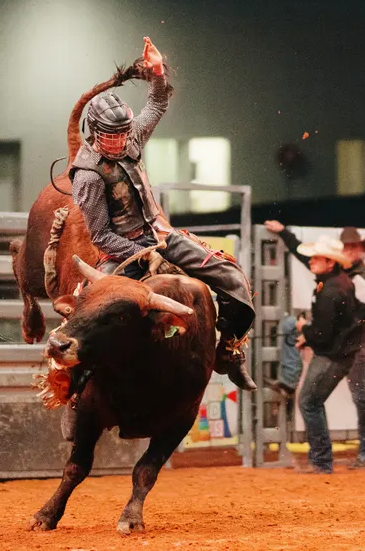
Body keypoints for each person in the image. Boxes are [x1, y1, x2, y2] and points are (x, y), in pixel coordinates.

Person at [70, 37, 256, 391]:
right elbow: (100, 235)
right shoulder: (89, 175)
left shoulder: (130, 139)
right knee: (89, 309)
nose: (122, 140)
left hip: (160, 234)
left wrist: (156, 69)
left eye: (125, 132)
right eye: (113, 135)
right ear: (95, 134)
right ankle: (75, 380)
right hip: (123, 250)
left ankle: (229, 350)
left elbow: (155, 104)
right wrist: (143, 253)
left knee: (232, 276)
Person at [264, 220, 365, 469]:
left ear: (360, 250)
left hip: (350, 340)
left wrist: (347, 321)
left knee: (357, 394)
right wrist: (285, 233)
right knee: (333, 397)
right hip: (343, 340)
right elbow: (301, 253)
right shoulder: (344, 278)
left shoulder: (362, 279)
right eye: (347, 247)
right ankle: (354, 452)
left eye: (355, 247)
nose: (351, 251)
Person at [293, 235, 363, 474]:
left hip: (333, 355)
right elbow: (329, 329)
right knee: (311, 402)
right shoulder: (336, 284)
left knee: (309, 402)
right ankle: (321, 460)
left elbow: (322, 333)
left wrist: (305, 330)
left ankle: (322, 461)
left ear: (330, 262)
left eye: (316, 258)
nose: (311, 261)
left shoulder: (330, 290)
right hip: (338, 352)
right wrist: (310, 335)